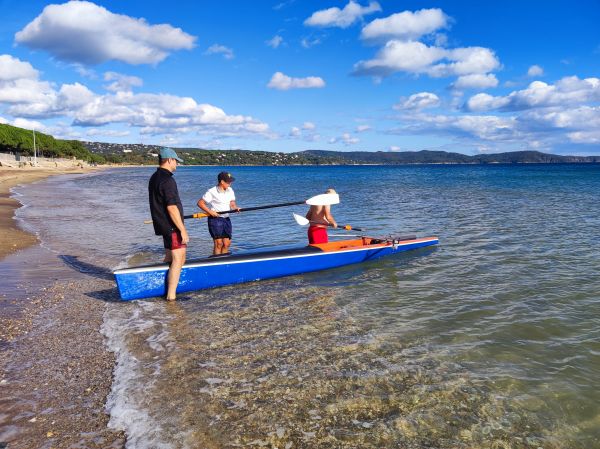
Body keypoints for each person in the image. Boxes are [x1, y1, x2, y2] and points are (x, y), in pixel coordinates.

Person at [148, 147, 189, 301]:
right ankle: (171, 296)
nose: (177, 165)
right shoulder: (168, 180)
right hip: (171, 226)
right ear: (170, 160)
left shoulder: (155, 177)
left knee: (169, 258)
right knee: (179, 258)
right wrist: (182, 230)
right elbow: (171, 207)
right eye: (176, 161)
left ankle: (158, 285)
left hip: (162, 225)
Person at [197, 171, 239, 255]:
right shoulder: (212, 191)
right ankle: (217, 261)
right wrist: (210, 211)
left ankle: (224, 260)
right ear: (222, 182)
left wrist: (235, 208)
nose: (230, 183)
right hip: (215, 219)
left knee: (227, 244)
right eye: (228, 181)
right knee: (219, 244)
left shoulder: (230, 190)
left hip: (226, 218)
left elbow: (232, 203)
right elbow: (200, 203)